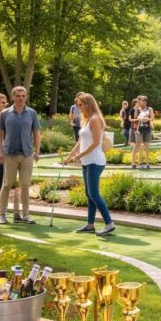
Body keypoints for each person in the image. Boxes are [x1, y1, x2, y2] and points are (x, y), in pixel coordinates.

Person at [62, 94, 115, 236]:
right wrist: (69, 156)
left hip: (95, 161)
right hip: (87, 161)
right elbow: (80, 141)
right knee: (89, 194)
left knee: (94, 194)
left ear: (88, 104)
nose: (78, 108)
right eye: (78, 105)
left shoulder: (95, 119)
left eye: (80, 105)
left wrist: (79, 156)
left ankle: (109, 223)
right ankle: (90, 224)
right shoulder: (86, 120)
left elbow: (96, 142)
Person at [0, 86, 41, 225]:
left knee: (25, 185)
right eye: (18, 96)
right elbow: (0, 134)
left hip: (27, 154)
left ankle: (26, 214)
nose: (21, 98)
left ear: (26, 96)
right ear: (13, 97)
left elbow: (36, 133)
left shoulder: (32, 113)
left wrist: (37, 151)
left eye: (23, 95)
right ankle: (2, 214)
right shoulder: (5, 113)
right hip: (9, 153)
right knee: (7, 184)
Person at [131, 96, 152, 169]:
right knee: (137, 145)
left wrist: (147, 119)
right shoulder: (138, 109)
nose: (143, 102)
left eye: (145, 101)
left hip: (147, 129)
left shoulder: (149, 109)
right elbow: (135, 118)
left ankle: (147, 164)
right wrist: (140, 118)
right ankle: (133, 163)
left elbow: (152, 118)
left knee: (147, 147)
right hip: (139, 129)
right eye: (142, 101)